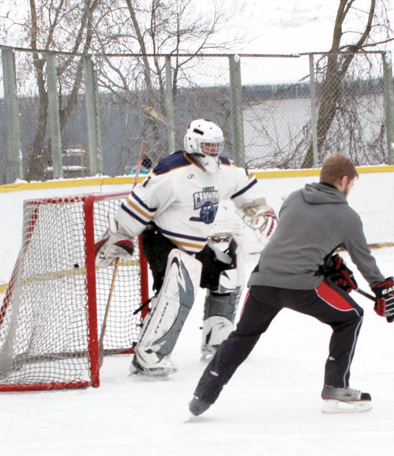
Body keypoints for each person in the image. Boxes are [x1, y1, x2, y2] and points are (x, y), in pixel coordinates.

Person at [187, 153, 394, 417]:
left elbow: (297, 237)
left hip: (262, 280)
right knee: (351, 317)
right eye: (351, 185)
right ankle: (335, 386)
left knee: (243, 337)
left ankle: (203, 396)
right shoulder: (347, 216)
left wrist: (327, 262)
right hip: (302, 284)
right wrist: (382, 289)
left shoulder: (294, 197)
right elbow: (364, 261)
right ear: (344, 180)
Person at [95, 119, 278, 376]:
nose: (213, 152)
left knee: (227, 270)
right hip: (162, 241)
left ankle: (218, 341)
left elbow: (245, 188)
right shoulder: (172, 172)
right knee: (177, 290)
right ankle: (150, 356)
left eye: (217, 146)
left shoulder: (223, 170)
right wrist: (119, 236)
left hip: (195, 245)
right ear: (193, 143)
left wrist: (260, 210)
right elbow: (138, 204)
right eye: (207, 146)